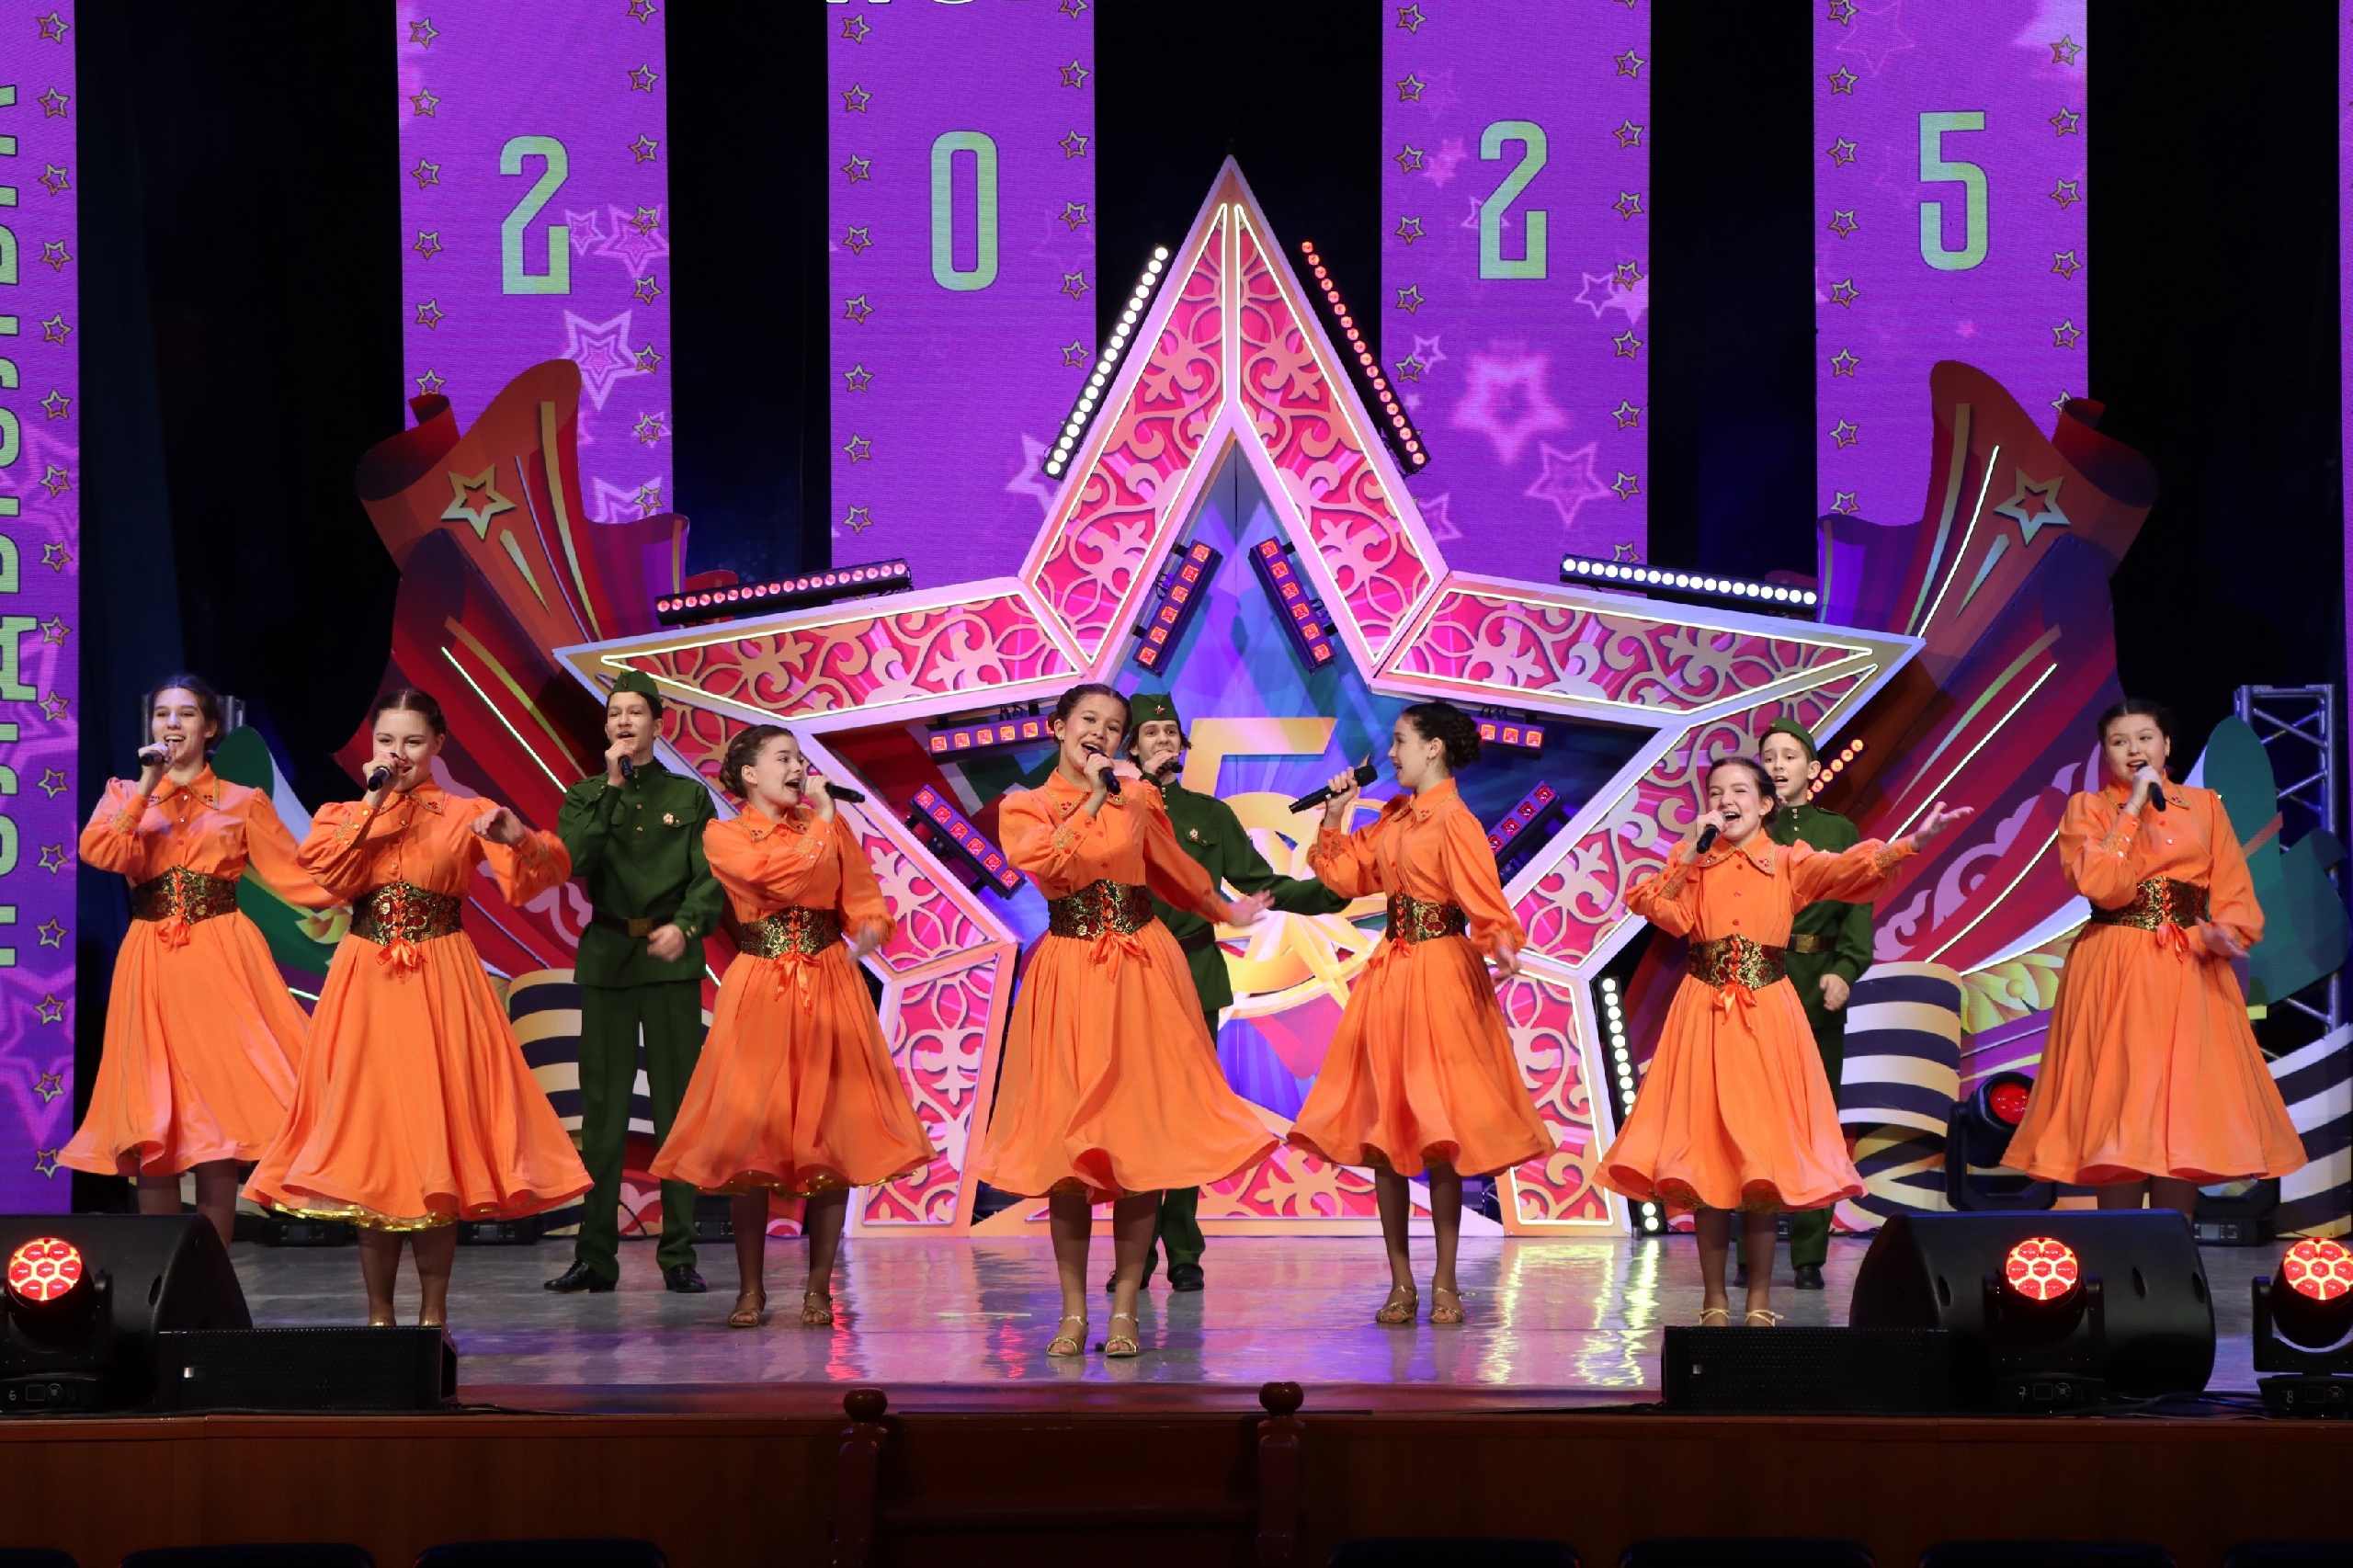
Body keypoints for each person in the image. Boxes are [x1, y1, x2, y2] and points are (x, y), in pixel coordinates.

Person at [244, 689, 591, 1328]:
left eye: (411, 742)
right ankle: (379, 1318)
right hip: (365, 982)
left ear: (437, 745)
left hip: (441, 978)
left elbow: (540, 879)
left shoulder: (466, 813)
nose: (397, 754)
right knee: (372, 1139)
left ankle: (433, 1316)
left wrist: (520, 838)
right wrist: (373, 803)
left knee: (437, 1137)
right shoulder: (342, 813)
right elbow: (323, 876)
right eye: (386, 741)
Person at [1597, 755, 1970, 1326]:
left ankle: (1760, 1301)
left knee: (1761, 1159)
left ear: (1766, 804)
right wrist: (1692, 850)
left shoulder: (1788, 861)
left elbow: (1848, 871)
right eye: (1716, 791)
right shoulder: (1693, 859)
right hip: (1703, 1014)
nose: (1726, 800)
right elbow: (1658, 909)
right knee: (1706, 1158)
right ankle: (1714, 1300)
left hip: (1766, 1014)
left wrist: (1910, 843)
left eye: (1739, 790)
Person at [972, 683, 1277, 1359]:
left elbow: (1173, 870)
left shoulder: (1138, 796)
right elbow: (1047, 860)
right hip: (1069, 973)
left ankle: (1126, 1308)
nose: (1101, 734)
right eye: (1089, 721)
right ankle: (1072, 1313)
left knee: (1142, 1139)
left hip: (1142, 967)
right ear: (1058, 728)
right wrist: (1092, 798)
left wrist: (1223, 910)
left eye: (1113, 727)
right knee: (1067, 1146)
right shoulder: (1025, 805)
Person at [651, 724, 932, 1329]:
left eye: (801, 758)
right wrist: (824, 822)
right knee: (753, 1141)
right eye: (785, 758)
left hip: (829, 983)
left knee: (833, 1136)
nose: (799, 768)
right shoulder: (725, 836)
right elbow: (775, 879)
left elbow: (862, 899)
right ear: (750, 774)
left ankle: (819, 1288)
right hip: (762, 987)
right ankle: (751, 1290)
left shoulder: (829, 827)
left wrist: (870, 929)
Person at [1288, 699, 1554, 1327]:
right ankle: (1400, 1281)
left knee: (1439, 1134)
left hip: (1439, 974)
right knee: (1386, 1133)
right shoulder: (1395, 816)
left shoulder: (1454, 819)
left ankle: (1445, 1280)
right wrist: (1335, 813)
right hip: (1392, 974)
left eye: (1401, 740)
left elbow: (1484, 898)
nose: (1392, 753)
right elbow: (1344, 877)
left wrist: (1501, 942)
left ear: (1433, 747)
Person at [63, 675, 341, 1245]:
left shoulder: (243, 801)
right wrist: (147, 786)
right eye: (162, 713)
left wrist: (367, 889)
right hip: (152, 958)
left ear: (210, 728)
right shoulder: (125, 793)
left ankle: (213, 1267)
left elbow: (299, 877)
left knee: (220, 1113)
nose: (172, 724)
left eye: (186, 714)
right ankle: (165, 1270)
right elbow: (102, 852)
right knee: (154, 1114)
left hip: (221, 954)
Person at [2004, 699, 2306, 1210]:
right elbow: (2103, 885)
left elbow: (2233, 889)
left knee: (2184, 1105)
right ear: (2105, 753)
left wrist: (2226, 933)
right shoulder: (2088, 808)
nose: (2133, 750)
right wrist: (2131, 811)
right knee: (2119, 1099)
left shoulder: (2206, 806)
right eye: (2119, 742)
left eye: (2145, 738)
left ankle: (2173, 1243)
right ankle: (2119, 1243)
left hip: (2190, 965)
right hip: (2115, 961)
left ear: (2166, 745)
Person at [1104, 691, 1350, 1296]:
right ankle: (1132, 1253)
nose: (1164, 740)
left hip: (1195, 973)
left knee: (1189, 1113)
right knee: (1133, 1115)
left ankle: (1184, 1248)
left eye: (1171, 731)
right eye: (1151, 732)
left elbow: (1261, 883)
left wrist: (1332, 892)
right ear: (1132, 745)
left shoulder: (1209, 815)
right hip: (1129, 975)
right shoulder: (1112, 806)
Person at [544, 671, 725, 1298]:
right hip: (608, 960)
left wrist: (687, 925)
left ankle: (678, 1253)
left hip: (670, 963)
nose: (624, 722)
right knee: (603, 1114)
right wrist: (612, 788)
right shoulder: (586, 794)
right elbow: (574, 859)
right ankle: (594, 1256)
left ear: (657, 723)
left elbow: (711, 875)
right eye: (615, 713)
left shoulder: (689, 796)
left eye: (635, 712)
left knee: (677, 1111)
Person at [1736, 718, 1874, 1293]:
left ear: (1813, 769)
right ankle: (1750, 1250)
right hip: (1754, 980)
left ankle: (1809, 1254)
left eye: (1789, 756)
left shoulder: (1836, 830)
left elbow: (1858, 905)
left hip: (1816, 982)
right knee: (1752, 1119)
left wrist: (1846, 969)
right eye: (1768, 756)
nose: (1777, 764)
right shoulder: (1746, 829)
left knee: (1815, 1120)